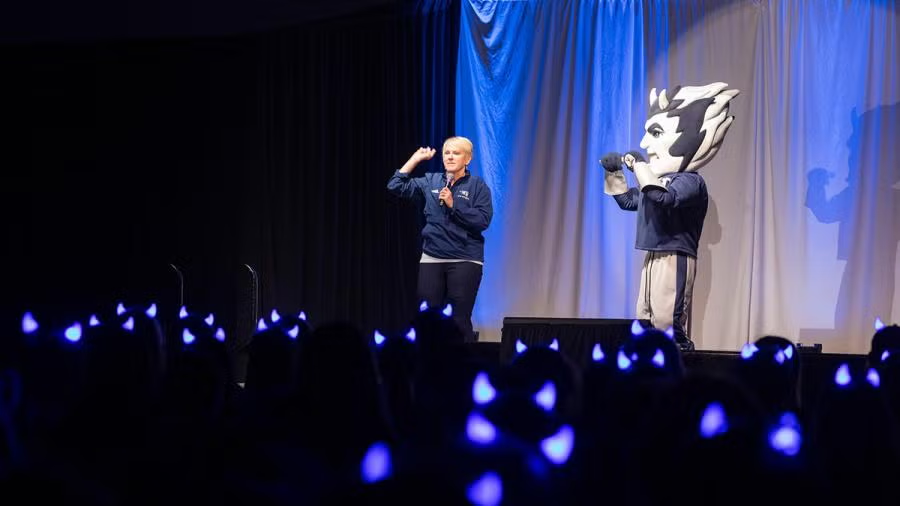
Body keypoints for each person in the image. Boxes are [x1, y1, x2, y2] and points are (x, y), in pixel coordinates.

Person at [601, 82, 740, 351]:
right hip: (653, 253)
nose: (645, 143)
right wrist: (613, 173)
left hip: (675, 255)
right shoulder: (658, 180)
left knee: (668, 322)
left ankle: (680, 370)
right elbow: (630, 200)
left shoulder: (690, 181)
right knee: (645, 318)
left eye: (655, 133)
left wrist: (639, 165)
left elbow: (662, 197)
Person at [387, 136, 493, 342]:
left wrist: (454, 205)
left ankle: (463, 366)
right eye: (447, 153)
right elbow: (395, 185)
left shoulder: (478, 186)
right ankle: (428, 367)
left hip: (465, 258)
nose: (450, 157)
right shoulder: (431, 181)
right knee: (427, 317)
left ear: (468, 159)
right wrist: (415, 159)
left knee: (460, 319)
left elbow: (482, 220)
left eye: (456, 153)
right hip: (432, 257)